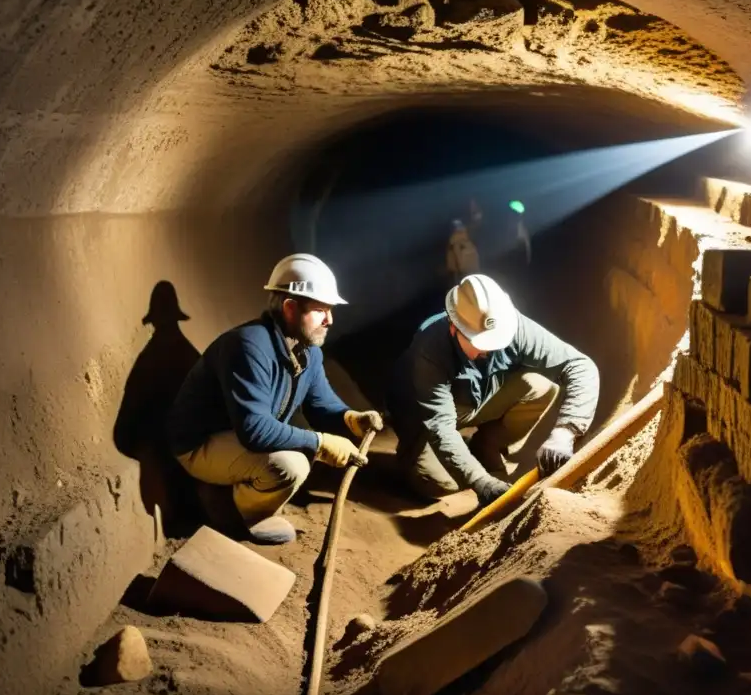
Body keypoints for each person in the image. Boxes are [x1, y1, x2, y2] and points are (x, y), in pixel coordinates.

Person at [166, 253, 383, 544]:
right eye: (320, 310)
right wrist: (320, 443)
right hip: (199, 445)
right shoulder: (248, 347)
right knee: (292, 464)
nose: (330, 320)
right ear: (291, 308)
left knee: (301, 445)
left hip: (234, 436)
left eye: (330, 310)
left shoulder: (307, 351)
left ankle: (227, 487)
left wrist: (351, 418)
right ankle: (238, 514)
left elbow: (321, 405)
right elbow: (255, 430)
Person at [386, 273, 600, 506]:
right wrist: (480, 481)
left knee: (540, 386)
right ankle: (410, 455)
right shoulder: (429, 350)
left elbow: (579, 365)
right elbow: (441, 427)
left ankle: (485, 446)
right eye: (481, 344)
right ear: (453, 328)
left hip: (477, 399)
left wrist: (566, 431)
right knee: (437, 484)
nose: (489, 351)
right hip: (423, 414)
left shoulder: (512, 326)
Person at [445, 219, 480, 283]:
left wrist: (460, 269)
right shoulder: (467, 242)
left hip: (463, 271)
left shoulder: (456, 242)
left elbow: (458, 257)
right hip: (468, 270)